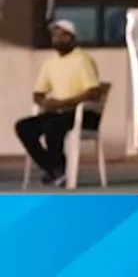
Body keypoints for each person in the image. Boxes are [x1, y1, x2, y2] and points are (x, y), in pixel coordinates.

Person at [15, 20, 103, 187]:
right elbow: (38, 93)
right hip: (58, 112)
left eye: (62, 35)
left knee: (53, 128)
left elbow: (94, 92)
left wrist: (64, 103)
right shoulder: (50, 63)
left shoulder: (82, 59)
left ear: (72, 37)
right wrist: (45, 102)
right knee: (24, 127)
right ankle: (55, 168)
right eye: (55, 35)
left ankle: (55, 170)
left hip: (82, 112)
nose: (57, 39)